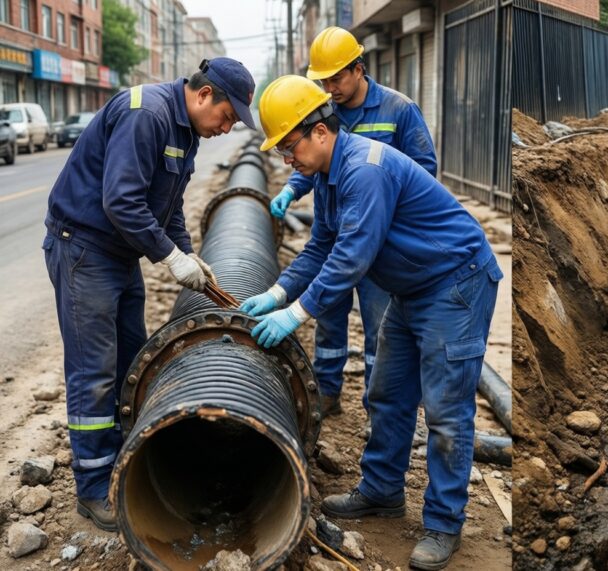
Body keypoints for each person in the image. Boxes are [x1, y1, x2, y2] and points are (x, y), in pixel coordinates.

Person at [241, 75, 500, 570]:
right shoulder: (328, 176)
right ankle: (382, 490)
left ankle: (444, 523)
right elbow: (321, 246)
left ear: (320, 131)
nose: (287, 159)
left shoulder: (365, 169)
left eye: (289, 146)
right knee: (388, 393)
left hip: (455, 284)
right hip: (413, 287)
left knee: (446, 411)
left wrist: (296, 314)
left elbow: (351, 258)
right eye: (281, 151)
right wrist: (276, 293)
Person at [42, 58, 256, 530]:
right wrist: (170, 258)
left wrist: (188, 253)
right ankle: (93, 486)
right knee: (94, 372)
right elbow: (121, 201)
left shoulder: (186, 132)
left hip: (119, 254)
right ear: (205, 95)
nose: (226, 128)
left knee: (131, 360)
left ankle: (124, 455)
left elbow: (168, 206)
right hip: (84, 250)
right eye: (227, 117)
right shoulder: (147, 113)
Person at [268, 26, 437, 417]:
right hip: (337, 229)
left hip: (381, 242)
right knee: (327, 312)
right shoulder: (324, 112)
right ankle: (326, 391)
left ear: (359, 69)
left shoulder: (398, 109)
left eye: (336, 78)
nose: (330, 88)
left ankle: (378, 404)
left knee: (380, 326)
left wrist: (382, 215)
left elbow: (423, 171)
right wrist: (293, 189)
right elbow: (314, 161)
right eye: (323, 81)